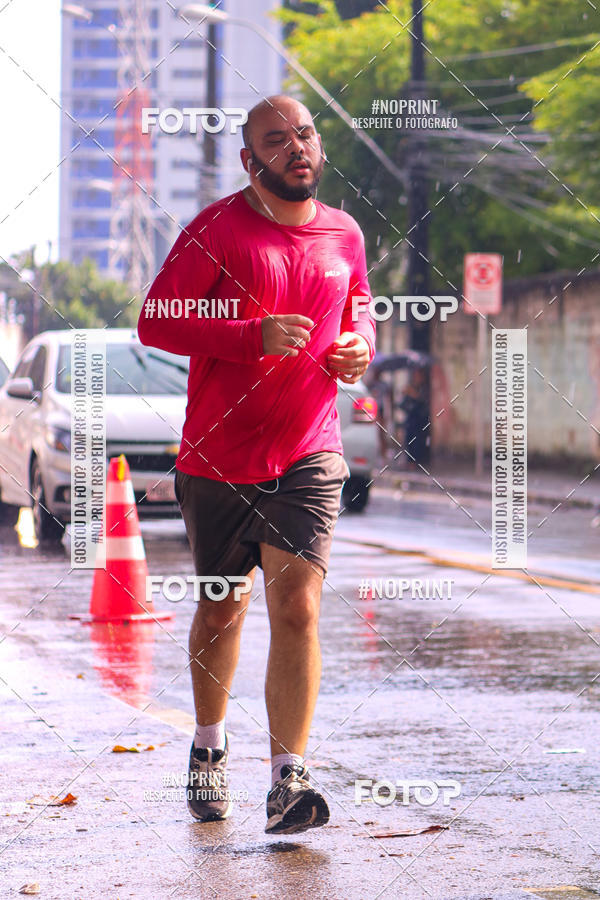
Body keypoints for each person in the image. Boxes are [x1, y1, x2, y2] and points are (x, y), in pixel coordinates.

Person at [137, 94, 376, 835]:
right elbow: (157, 318)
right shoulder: (215, 229)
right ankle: (209, 747)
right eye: (276, 140)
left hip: (309, 451)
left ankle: (287, 777)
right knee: (222, 606)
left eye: (304, 134)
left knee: (297, 606)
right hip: (218, 456)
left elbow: (359, 304)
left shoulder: (344, 232)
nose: (295, 148)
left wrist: (358, 344)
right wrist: (249, 334)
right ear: (250, 160)